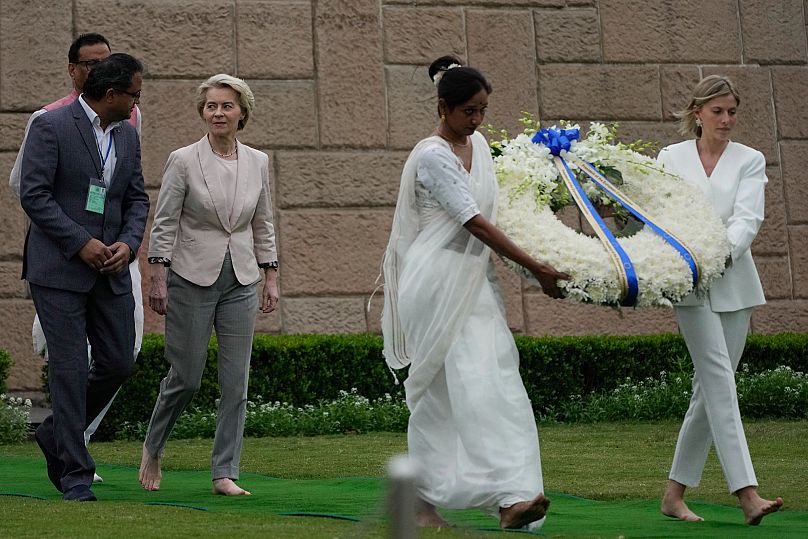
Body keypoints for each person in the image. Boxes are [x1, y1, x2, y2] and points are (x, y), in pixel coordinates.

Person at [381, 55, 569, 530]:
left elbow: (502, 208)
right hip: (434, 282)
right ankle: (484, 499)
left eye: (483, 109)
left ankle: (503, 497)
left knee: (494, 382)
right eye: (469, 111)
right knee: (453, 387)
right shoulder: (431, 156)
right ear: (444, 108)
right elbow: (475, 221)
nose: (478, 120)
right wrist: (536, 268)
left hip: (473, 282)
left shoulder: (480, 145)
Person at [9, 33, 144, 484]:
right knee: (67, 370)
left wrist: (127, 243)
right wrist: (80, 243)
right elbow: (34, 194)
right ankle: (75, 474)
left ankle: (55, 433)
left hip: (112, 269)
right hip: (59, 269)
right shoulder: (50, 124)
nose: (136, 103)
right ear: (111, 94)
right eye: (133, 95)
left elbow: (137, 198)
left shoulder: (128, 134)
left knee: (119, 361)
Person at [138, 74, 279, 496]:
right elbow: (164, 222)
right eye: (211, 106)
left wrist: (270, 274)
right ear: (203, 112)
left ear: (242, 113)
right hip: (190, 277)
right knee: (187, 376)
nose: (218, 112)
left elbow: (263, 221)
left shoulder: (258, 161)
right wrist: (157, 276)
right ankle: (153, 446)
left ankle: (224, 473)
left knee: (236, 380)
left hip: (242, 278)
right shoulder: (183, 159)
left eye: (226, 106)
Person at [657, 75, 783, 525]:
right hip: (688, 286)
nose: (726, 120)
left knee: (708, 391)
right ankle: (748, 494)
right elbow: (662, 216)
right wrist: (688, 264)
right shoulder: (669, 158)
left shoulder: (750, 160)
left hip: (733, 284)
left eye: (732, 112)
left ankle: (673, 495)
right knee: (719, 383)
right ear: (698, 112)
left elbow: (748, 221)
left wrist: (711, 258)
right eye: (718, 111)